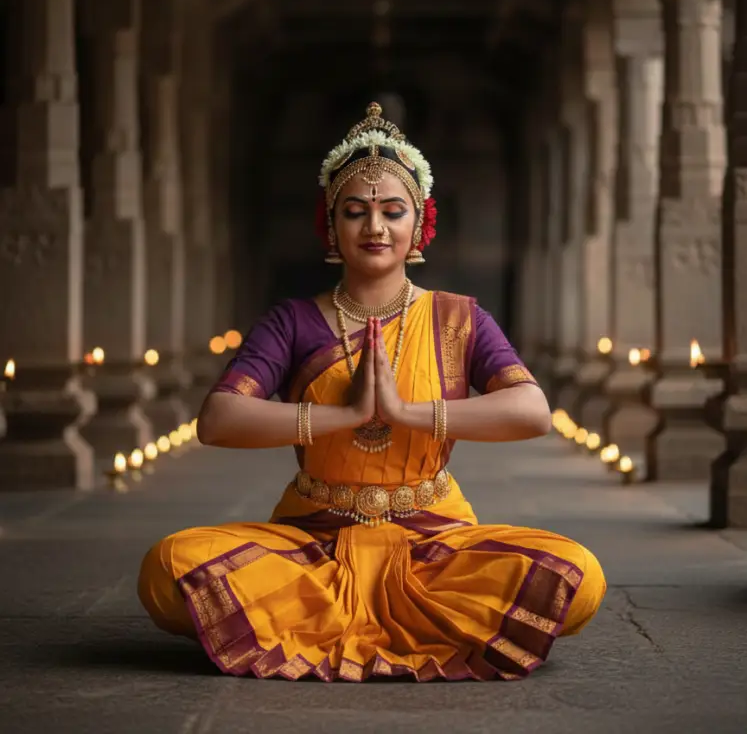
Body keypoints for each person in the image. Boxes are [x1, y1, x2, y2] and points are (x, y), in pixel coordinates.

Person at [138, 102, 605, 681]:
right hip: (314, 539)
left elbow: (533, 411)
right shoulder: (294, 321)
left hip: (433, 540)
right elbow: (218, 420)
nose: (375, 228)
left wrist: (408, 412)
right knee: (169, 567)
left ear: (419, 224)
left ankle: (317, 624)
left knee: (577, 574)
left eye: (392, 211)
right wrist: (341, 415)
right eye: (355, 212)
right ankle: (392, 623)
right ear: (331, 226)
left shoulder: (459, 319)